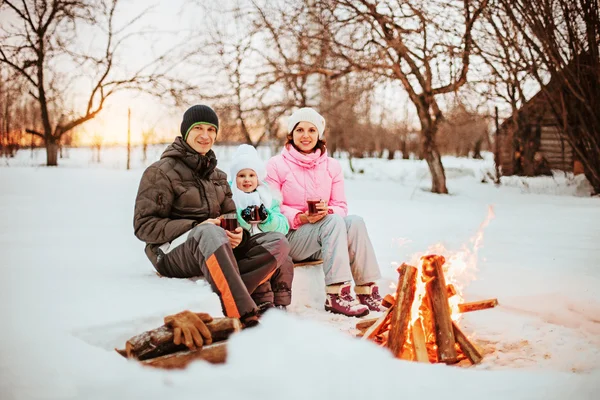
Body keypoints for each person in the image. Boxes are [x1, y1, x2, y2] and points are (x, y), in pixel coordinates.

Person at [133, 104, 291, 330]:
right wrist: (196, 226)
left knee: (276, 241)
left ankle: (226, 293)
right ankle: (243, 313)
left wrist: (239, 235)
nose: (205, 135)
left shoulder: (218, 177)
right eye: (198, 128)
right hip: (170, 253)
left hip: (214, 248)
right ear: (186, 132)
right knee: (208, 232)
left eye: (211, 130)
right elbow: (144, 226)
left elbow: (229, 217)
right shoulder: (160, 172)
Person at [266, 107, 385, 317]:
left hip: (324, 236)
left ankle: (367, 291)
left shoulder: (332, 166)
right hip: (291, 237)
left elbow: (341, 205)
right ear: (291, 134)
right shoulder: (276, 165)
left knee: (355, 221)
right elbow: (271, 208)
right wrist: (300, 217)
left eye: (311, 130)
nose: (305, 135)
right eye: (300, 130)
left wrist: (326, 210)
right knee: (331, 222)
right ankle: (336, 294)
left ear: (319, 134)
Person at [228, 144, 293, 311]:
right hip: (242, 245)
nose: (247, 179)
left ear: (259, 177)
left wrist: (266, 219)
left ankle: (281, 301)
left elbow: (283, 226)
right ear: (234, 178)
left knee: (285, 260)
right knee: (263, 256)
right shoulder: (230, 198)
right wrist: (243, 219)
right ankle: (263, 301)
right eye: (241, 175)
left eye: (251, 175)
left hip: (268, 239)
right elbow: (227, 222)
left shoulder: (268, 197)